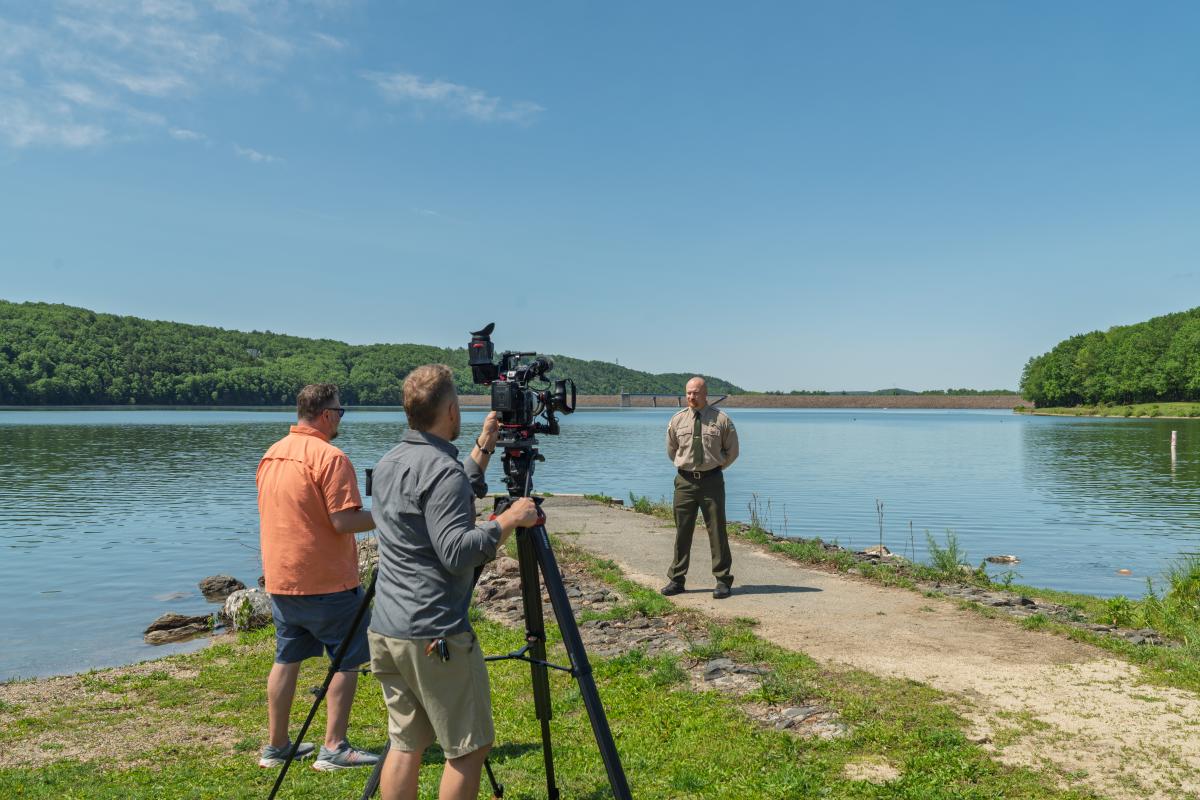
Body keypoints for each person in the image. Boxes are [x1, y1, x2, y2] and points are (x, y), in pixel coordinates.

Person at [367, 364, 539, 800]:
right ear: (448, 408)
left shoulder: (390, 462)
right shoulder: (442, 472)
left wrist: (483, 446)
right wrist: (508, 519)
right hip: (434, 631)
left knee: (405, 744)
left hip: (388, 628)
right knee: (469, 748)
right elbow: (457, 550)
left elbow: (444, 493)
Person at [256, 383, 381, 771]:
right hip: (327, 582)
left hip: (281, 579)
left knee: (287, 658)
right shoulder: (331, 457)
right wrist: (393, 514)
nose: (341, 418)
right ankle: (334, 748)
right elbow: (344, 521)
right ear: (326, 414)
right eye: (340, 412)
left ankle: (276, 747)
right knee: (347, 660)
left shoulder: (272, 454)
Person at [661, 376, 740, 599]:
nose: (691, 397)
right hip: (685, 482)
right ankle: (677, 579)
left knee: (717, 531)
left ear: (705, 394)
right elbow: (672, 450)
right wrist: (687, 468)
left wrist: (713, 468)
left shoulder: (721, 420)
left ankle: (723, 580)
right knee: (682, 532)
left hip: (711, 481)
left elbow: (732, 452)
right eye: (688, 393)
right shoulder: (677, 420)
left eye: (695, 393)